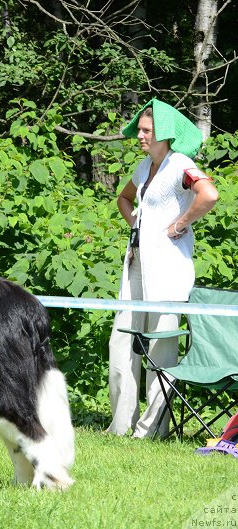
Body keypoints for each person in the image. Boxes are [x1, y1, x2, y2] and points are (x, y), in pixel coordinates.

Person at [107, 98, 219, 438]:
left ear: (165, 133)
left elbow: (209, 195)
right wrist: (135, 226)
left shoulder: (180, 164)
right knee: (121, 340)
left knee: (161, 348)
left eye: (146, 131)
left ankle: (152, 430)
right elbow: (123, 199)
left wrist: (179, 225)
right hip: (137, 265)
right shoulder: (144, 167)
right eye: (139, 130)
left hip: (169, 270)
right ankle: (120, 425)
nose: (140, 136)